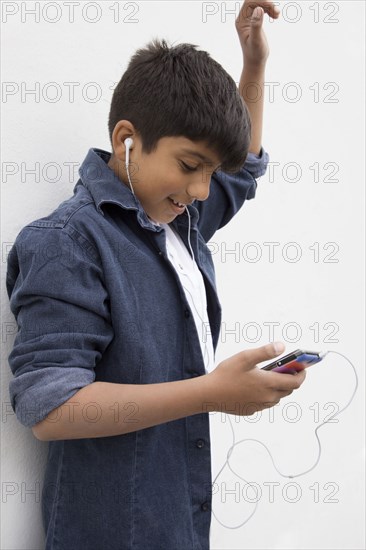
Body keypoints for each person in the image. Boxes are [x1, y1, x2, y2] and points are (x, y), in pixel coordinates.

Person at [6, 2, 306, 549]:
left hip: (181, 526)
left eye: (210, 175)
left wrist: (254, 63)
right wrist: (210, 393)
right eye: (190, 167)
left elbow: (246, 168)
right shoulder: (66, 243)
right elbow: (51, 408)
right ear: (127, 138)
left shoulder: (178, 217)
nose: (200, 191)